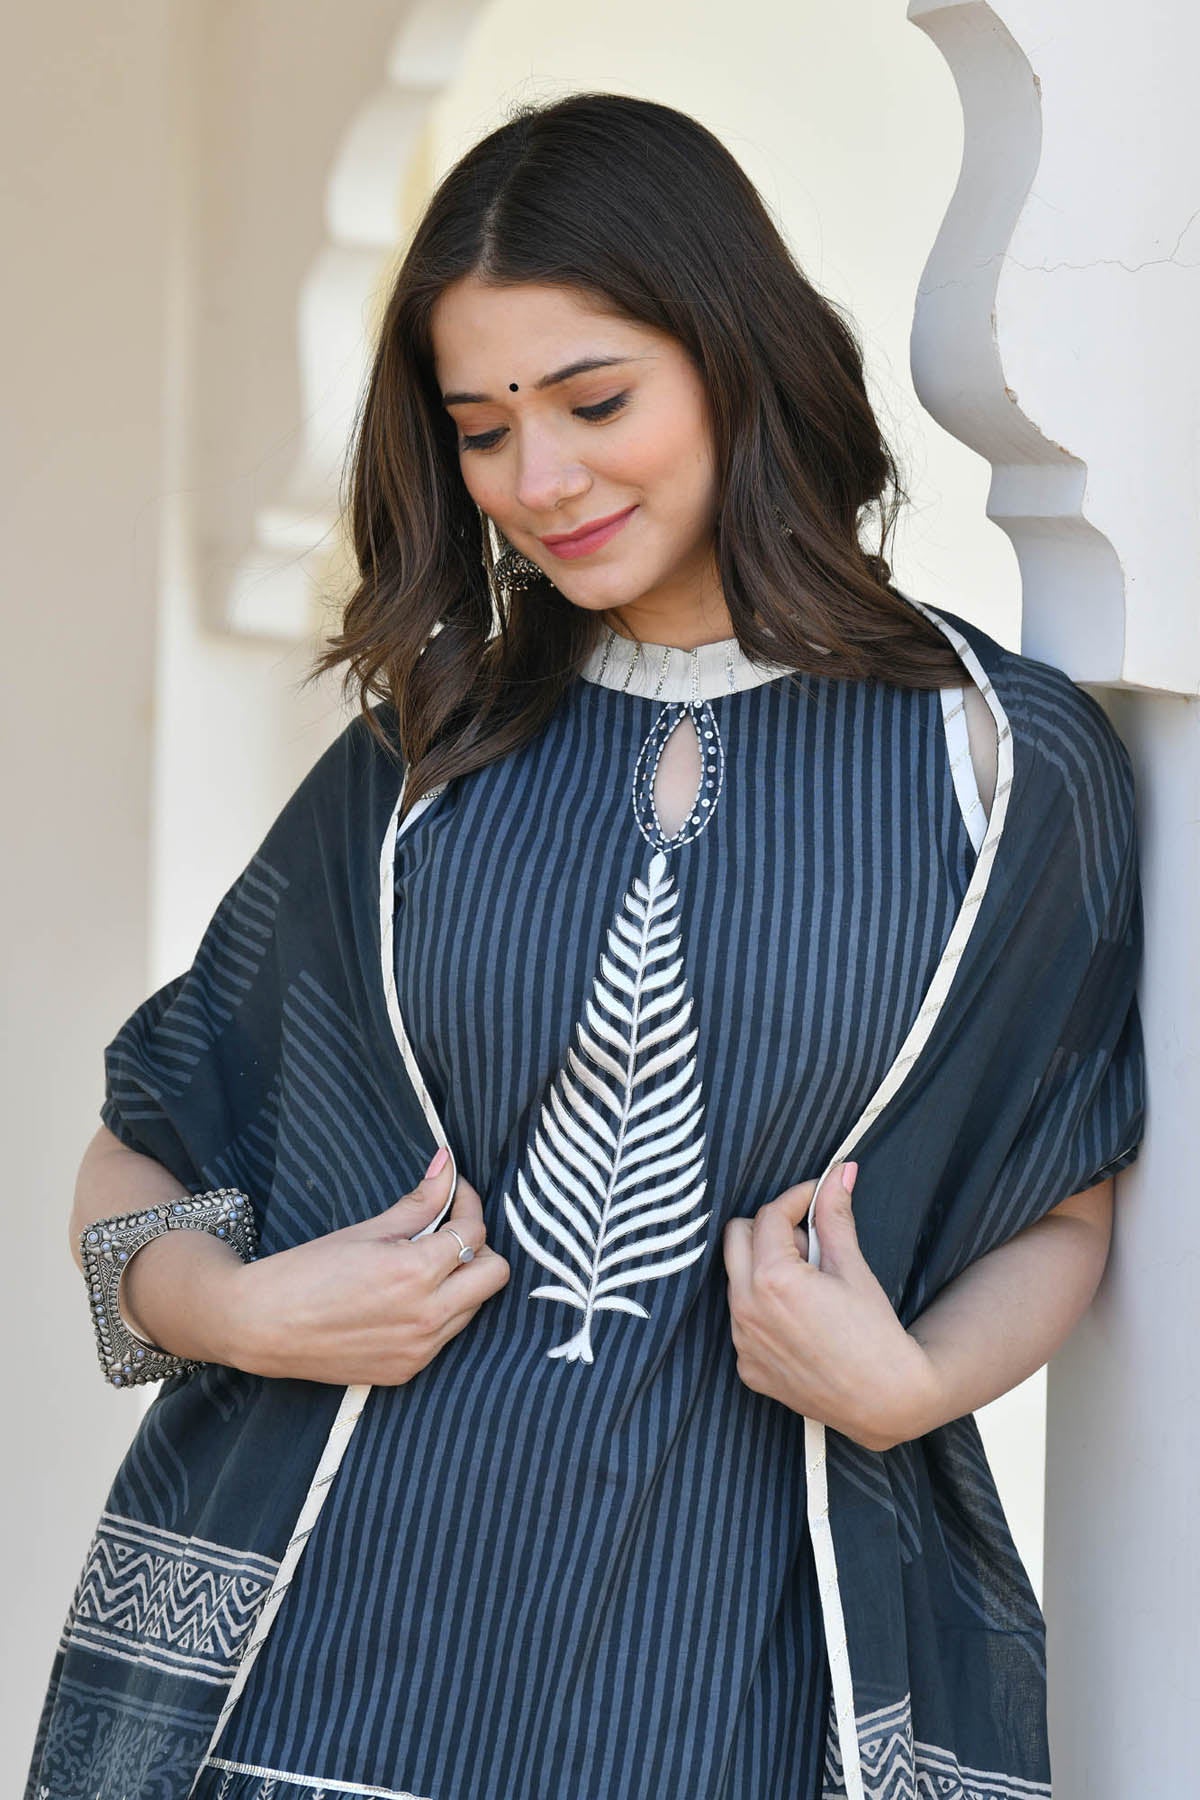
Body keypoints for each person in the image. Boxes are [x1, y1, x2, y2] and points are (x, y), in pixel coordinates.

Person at [26, 91, 1144, 1800]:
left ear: (736, 355)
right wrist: (239, 1312)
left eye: (594, 402)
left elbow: (1064, 1189)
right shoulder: (420, 761)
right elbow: (148, 1135)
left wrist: (913, 1385)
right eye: (480, 430)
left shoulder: (996, 766)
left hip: (747, 1670)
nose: (538, 482)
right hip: (313, 1666)